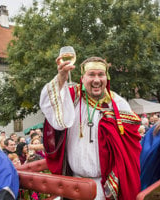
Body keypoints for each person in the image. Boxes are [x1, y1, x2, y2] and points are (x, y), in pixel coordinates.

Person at [40, 56, 141, 199]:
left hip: (103, 186)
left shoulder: (118, 104)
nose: (97, 80)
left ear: (107, 77)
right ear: (83, 77)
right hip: (74, 183)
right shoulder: (72, 99)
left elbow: (130, 147)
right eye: (91, 75)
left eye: (101, 74)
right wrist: (61, 78)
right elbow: (47, 106)